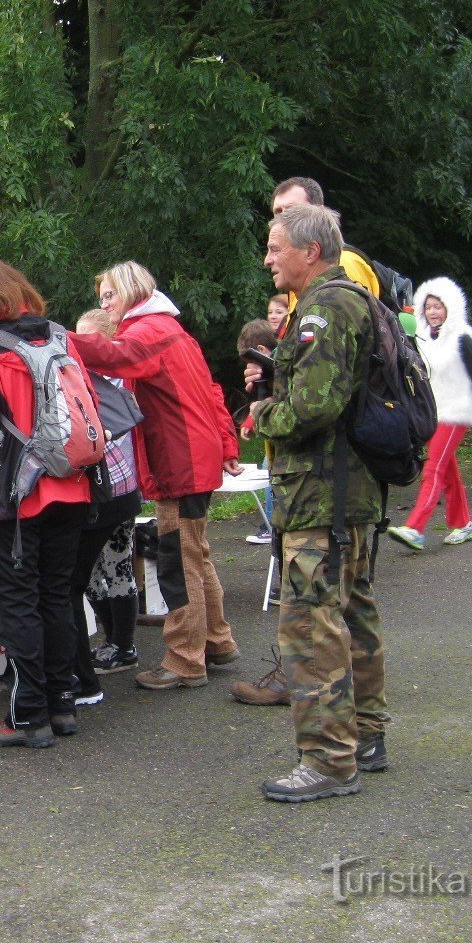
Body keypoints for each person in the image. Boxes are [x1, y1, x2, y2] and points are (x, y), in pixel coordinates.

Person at [247, 202, 391, 802]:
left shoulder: (326, 309)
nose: (268, 258)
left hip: (321, 497)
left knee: (311, 625)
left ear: (311, 252)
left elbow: (313, 408)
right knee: (352, 611)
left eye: (277, 247)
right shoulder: (353, 301)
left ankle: (330, 760)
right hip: (347, 495)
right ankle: (366, 737)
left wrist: (262, 414)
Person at [70, 261, 242, 692]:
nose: (104, 304)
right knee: (195, 554)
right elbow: (213, 392)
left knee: (178, 560)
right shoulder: (171, 330)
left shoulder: (148, 331)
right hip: (192, 455)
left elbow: (116, 355)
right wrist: (227, 444)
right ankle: (217, 642)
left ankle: (185, 659)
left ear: (130, 290)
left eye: (109, 295)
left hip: (179, 460)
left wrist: (55, 339)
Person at [0, 258, 95, 748]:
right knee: (56, 596)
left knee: (18, 604)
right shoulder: (59, 338)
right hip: (72, 485)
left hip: (14, 499)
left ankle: (27, 716)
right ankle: (62, 705)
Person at [387, 276, 472, 550]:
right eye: (428, 307)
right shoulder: (427, 340)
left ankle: (415, 527)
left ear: (450, 307)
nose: (432, 312)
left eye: (438, 307)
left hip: (455, 411)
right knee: (448, 471)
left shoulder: (462, 338)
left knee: (434, 467)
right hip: (433, 413)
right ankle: (463, 523)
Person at [71, 308, 141, 692]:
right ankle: (113, 640)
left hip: (116, 488)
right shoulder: (92, 380)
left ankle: (123, 643)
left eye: (89, 338)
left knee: (115, 567)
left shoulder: (110, 381)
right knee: (99, 570)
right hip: (107, 490)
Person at [237, 316, 280, 547]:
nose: (247, 367)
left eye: (248, 360)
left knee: (270, 476)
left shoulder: (281, 365)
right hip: (271, 435)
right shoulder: (268, 374)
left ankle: (273, 524)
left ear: (261, 351)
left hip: (281, 443)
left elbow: (269, 403)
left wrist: (257, 413)